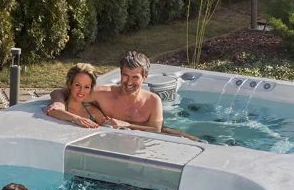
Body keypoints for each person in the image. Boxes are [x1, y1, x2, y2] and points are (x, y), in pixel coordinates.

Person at [47, 51, 198, 140]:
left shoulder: (153, 101)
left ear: (145, 77)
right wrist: (58, 105)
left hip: (142, 143)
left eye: (135, 77)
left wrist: (126, 125)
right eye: (125, 75)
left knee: (192, 139)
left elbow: (156, 130)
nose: (128, 82)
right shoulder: (103, 94)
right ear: (120, 73)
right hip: (114, 141)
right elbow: (62, 92)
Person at [44, 63, 126, 130]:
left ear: (91, 88)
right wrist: (76, 119)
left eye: (86, 87)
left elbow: (108, 127)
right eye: (77, 85)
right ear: (70, 84)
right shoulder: (61, 107)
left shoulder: (93, 112)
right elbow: (53, 111)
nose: (81, 91)